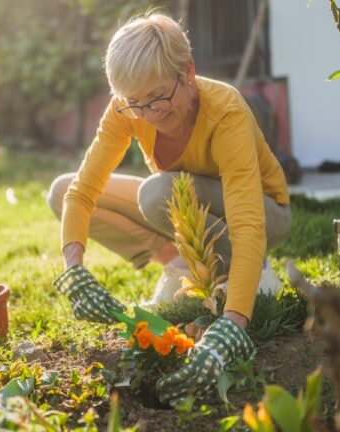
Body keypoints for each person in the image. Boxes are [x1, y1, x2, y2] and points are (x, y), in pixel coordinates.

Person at [48, 11, 291, 405]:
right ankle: (179, 261)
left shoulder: (225, 111)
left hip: (266, 215)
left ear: (188, 72)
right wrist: (73, 268)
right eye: (134, 103)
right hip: (186, 203)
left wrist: (233, 324)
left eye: (158, 96)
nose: (148, 114)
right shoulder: (128, 108)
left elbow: (248, 223)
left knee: (158, 192)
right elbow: (82, 191)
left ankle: (249, 271)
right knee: (61, 191)